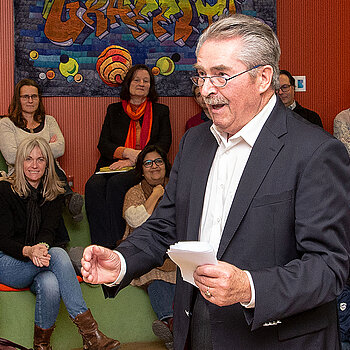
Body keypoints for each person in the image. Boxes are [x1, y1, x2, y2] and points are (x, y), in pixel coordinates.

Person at [81, 14, 350, 349]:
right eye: (202, 75)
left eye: (221, 75)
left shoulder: (317, 152)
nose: (206, 90)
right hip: (195, 330)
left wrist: (250, 287)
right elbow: (165, 224)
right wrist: (121, 261)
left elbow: (329, 267)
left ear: (263, 77)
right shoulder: (195, 143)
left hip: (272, 339)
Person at [0, 137, 120, 350]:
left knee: (50, 284)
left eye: (40, 159)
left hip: (38, 260)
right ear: (20, 162)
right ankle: (91, 334)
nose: (34, 165)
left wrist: (41, 249)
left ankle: (42, 346)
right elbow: (2, 239)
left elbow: (48, 231)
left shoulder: (53, 194)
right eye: (28, 159)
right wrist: (30, 250)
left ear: (48, 163)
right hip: (8, 262)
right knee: (58, 254)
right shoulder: (5, 190)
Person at [85, 64, 172, 248]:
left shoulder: (161, 111)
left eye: (146, 80)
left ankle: (118, 244)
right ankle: (100, 245)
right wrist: (127, 153)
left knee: (117, 184)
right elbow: (104, 144)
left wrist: (136, 158)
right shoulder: (114, 110)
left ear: (151, 86)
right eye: (137, 80)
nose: (141, 83)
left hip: (145, 165)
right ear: (128, 84)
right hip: (113, 164)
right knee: (93, 185)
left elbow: (164, 144)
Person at [0, 78, 84, 223]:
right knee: (41, 162)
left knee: (45, 165)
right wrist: (45, 147)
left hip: (51, 174)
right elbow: (11, 156)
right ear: (18, 99)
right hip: (20, 175)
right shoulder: (6, 124)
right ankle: (67, 198)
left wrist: (24, 148)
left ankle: (70, 202)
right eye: (26, 96)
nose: (30, 100)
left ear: (39, 99)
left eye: (34, 96)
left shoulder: (49, 121)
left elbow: (60, 148)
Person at [121, 144, 176, 349]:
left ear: (165, 165)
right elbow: (135, 221)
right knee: (155, 279)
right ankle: (171, 322)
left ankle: (175, 329)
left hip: (174, 250)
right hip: (145, 251)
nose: (154, 167)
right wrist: (156, 194)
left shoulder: (178, 188)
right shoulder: (134, 192)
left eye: (159, 161)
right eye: (148, 163)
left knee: (185, 281)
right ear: (142, 169)